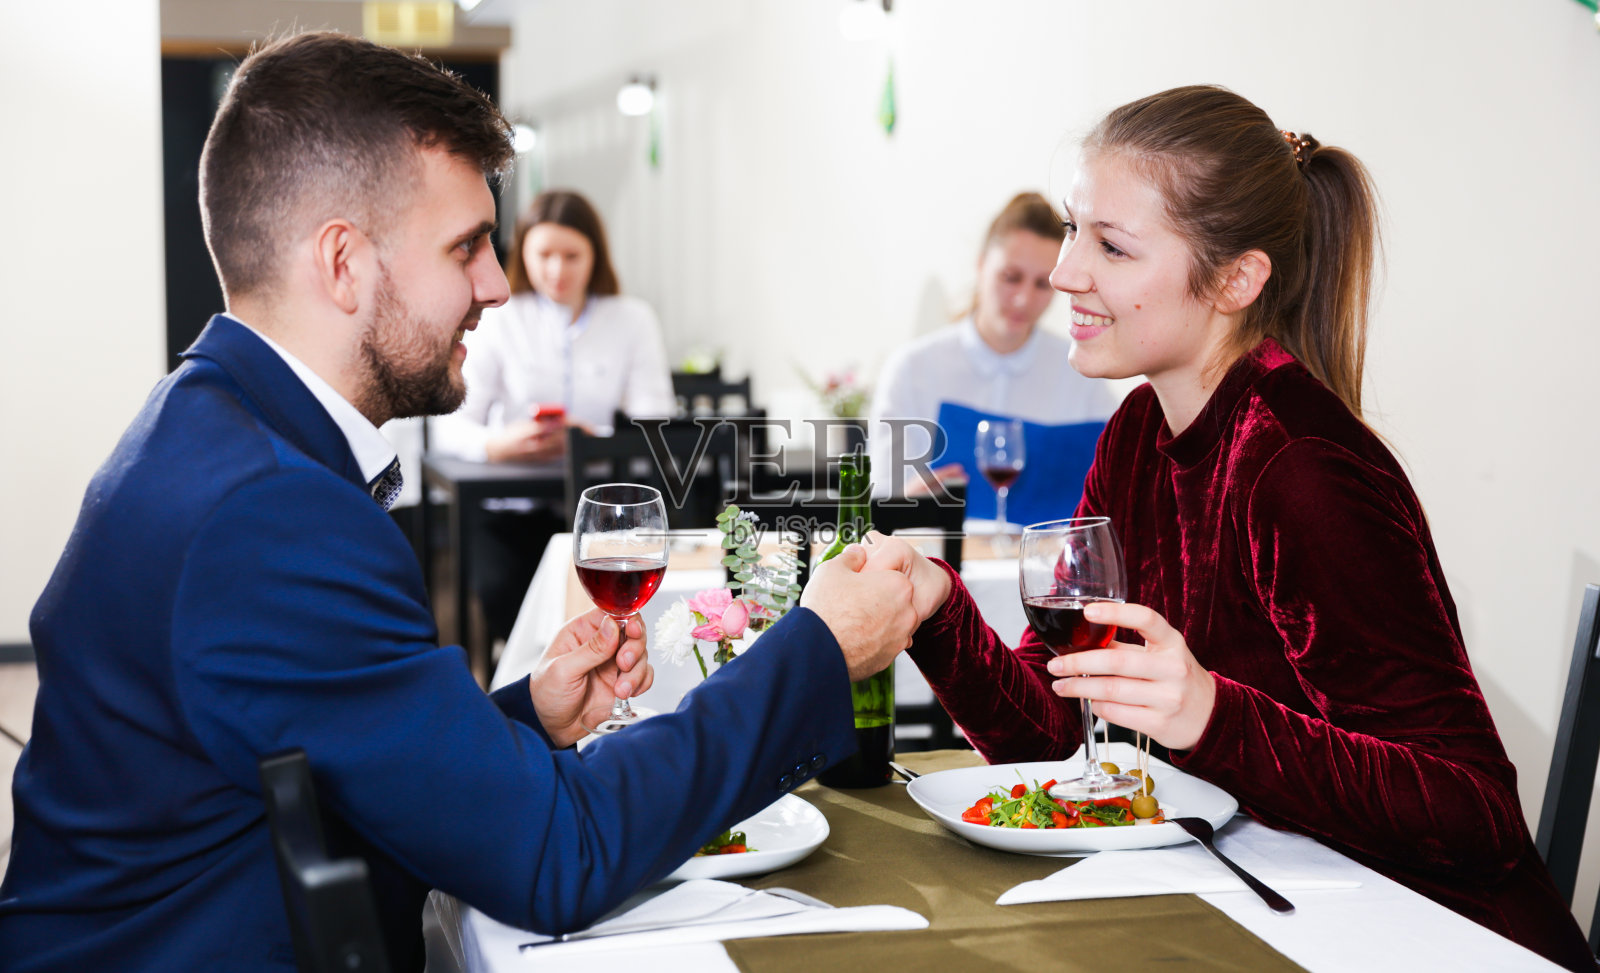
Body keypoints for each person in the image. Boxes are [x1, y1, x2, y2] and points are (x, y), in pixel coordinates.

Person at [0, 32, 917, 973]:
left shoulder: (208, 418)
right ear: (344, 263)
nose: (499, 283)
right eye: (467, 245)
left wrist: (522, 718)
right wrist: (823, 646)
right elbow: (560, 853)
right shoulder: (270, 512)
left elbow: (322, 747)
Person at [863, 86, 1594, 970]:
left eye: (1112, 245)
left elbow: (1475, 817)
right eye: (1071, 229)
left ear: (1236, 280)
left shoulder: (1301, 467)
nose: (1063, 273)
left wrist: (1209, 713)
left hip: (1433, 937)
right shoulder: (1137, 430)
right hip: (1272, 913)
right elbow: (1052, 737)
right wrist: (938, 611)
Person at [429, 189, 676, 644]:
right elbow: (450, 427)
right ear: (522, 252)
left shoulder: (632, 320)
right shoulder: (499, 319)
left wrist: (592, 440)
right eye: (544, 254)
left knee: (610, 614)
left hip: (602, 515)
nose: (557, 270)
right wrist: (497, 444)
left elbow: (656, 426)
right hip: (508, 510)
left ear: (595, 256)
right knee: (507, 602)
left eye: (571, 255)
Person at [867, 191, 1116, 522]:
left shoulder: (1083, 372)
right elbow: (881, 505)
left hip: (1043, 567)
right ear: (982, 264)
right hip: (934, 562)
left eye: (1043, 284)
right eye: (1010, 277)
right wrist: (905, 504)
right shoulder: (912, 370)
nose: (1022, 299)